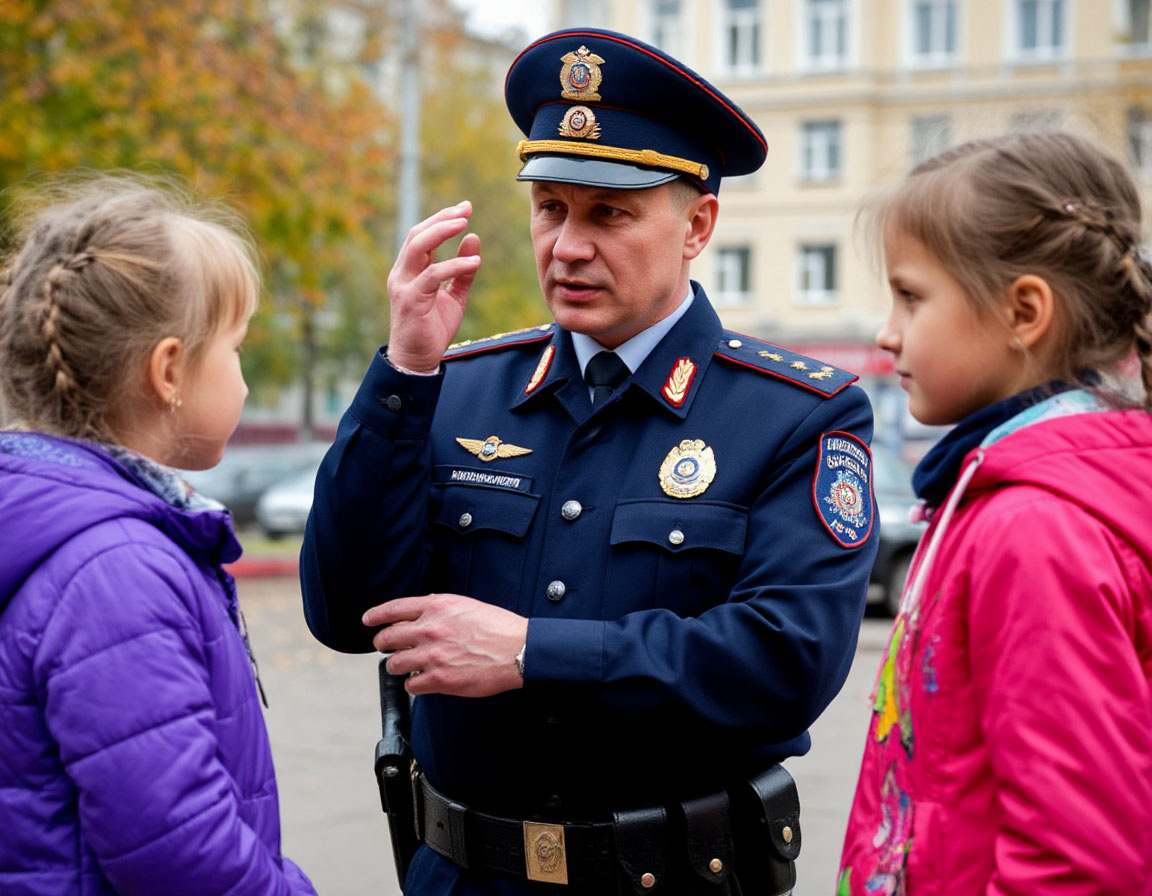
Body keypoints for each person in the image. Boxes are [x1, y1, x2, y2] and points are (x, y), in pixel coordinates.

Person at [302, 28, 878, 896]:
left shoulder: (795, 413)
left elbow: (785, 664)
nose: (568, 245)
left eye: (609, 213)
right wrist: (404, 374)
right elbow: (347, 612)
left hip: (676, 878)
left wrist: (537, 651)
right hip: (461, 874)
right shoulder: (455, 387)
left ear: (698, 225)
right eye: (551, 209)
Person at [837, 130, 1152, 894]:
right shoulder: (996, 494)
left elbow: (1079, 862)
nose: (887, 332)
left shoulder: (1037, 528)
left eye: (912, 296)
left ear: (1024, 311)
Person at [0, 176, 316, 895]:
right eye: (236, 348)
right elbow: (181, 853)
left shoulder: (66, 531)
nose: (239, 373)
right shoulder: (116, 569)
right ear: (169, 370)